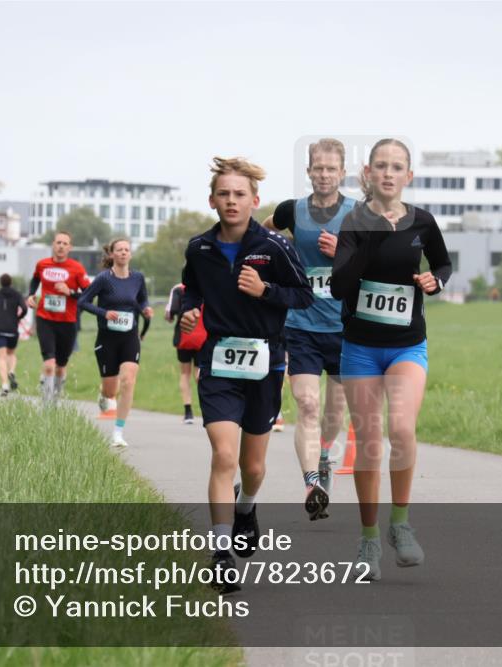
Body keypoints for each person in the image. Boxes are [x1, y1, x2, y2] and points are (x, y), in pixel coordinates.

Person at [180, 156, 313, 592]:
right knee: (223, 455)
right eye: (224, 194)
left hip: (265, 364)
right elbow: (192, 291)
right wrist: (188, 313)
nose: (231, 201)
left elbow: (304, 296)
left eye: (240, 194)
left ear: (255, 200)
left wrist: (265, 290)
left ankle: (247, 505)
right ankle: (221, 554)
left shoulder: (274, 246)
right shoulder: (199, 249)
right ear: (212, 201)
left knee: (252, 466)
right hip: (218, 362)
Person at [331, 138, 452, 582]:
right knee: (369, 440)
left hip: (406, 345)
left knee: (401, 429)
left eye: (396, 166)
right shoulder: (354, 221)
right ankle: (368, 539)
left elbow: (443, 264)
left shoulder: (423, 222)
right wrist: (372, 236)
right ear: (368, 173)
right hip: (361, 347)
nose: (388, 173)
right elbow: (340, 286)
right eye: (380, 165)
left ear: (408, 176)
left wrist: (435, 281)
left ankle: (400, 524)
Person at [263, 137, 356, 519]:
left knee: (335, 411)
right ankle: (311, 483)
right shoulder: (292, 210)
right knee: (307, 403)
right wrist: (282, 254)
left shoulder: (358, 213)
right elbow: (264, 233)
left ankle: (324, 457)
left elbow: (376, 262)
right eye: (318, 168)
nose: (324, 174)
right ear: (308, 171)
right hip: (299, 323)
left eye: (331, 169)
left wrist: (344, 252)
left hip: (344, 326)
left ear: (342, 172)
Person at [78, 238, 153, 447]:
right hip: (107, 338)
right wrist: (104, 313)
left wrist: (146, 309)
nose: (123, 252)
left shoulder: (137, 278)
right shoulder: (104, 278)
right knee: (111, 391)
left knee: (128, 380)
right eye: (119, 250)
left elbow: (142, 299)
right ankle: (104, 395)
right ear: (112, 254)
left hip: (130, 336)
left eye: (126, 249)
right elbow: (83, 302)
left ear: (130, 254)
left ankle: (118, 433)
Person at [27, 231, 91, 403]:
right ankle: (47, 405)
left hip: (68, 322)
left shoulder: (77, 268)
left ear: (70, 248)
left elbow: (89, 295)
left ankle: (55, 399)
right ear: (53, 245)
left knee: (61, 367)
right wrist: (31, 294)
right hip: (45, 318)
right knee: (49, 364)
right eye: (58, 242)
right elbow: (35, 280)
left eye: (65, 243)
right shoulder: (42, 264)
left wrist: (70, 292)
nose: (61, 246)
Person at [166, 282, 206, 424]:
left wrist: (170, 316)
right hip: (203, 337)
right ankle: (207, 408)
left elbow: (171, 313)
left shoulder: (177, 289)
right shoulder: (207, 285)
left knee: (185, 374)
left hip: (184, 336)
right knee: (200, 374)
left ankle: (188, 413)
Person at [0, 273, 28, 397]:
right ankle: (12, 371)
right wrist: (19, 317)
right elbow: (24, 308)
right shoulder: (17, 294)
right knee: (11, 353)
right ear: (11, 282)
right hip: (12, 328)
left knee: (1, 357)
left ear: (0, 283)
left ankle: (4, 385)